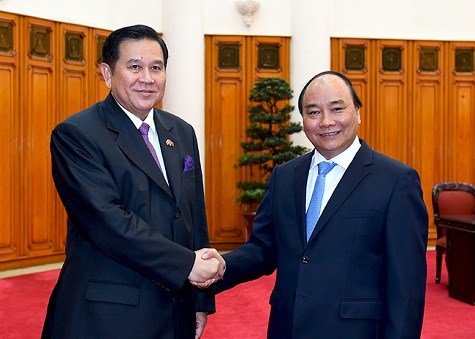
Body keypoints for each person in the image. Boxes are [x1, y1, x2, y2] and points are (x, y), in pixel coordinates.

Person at [207, 71, 428, 338]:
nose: (326, 122)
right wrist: (220, 266)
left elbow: (406, 286)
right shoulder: (285, 176)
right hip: (286, 328)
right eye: (313, 112)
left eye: (337, 109)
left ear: (357, 112)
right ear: (302, 120)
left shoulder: (396, 180)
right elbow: (264, 248)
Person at [42, 24, 225, 339]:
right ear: (107, 73)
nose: (147, 78)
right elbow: (106, 220)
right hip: (109, 315)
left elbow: (194, 216)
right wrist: (187, 265)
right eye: (135, 66)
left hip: (175, 308)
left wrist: (201, 299)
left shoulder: (181, 132)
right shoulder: (77, 134)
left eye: (156, 67)